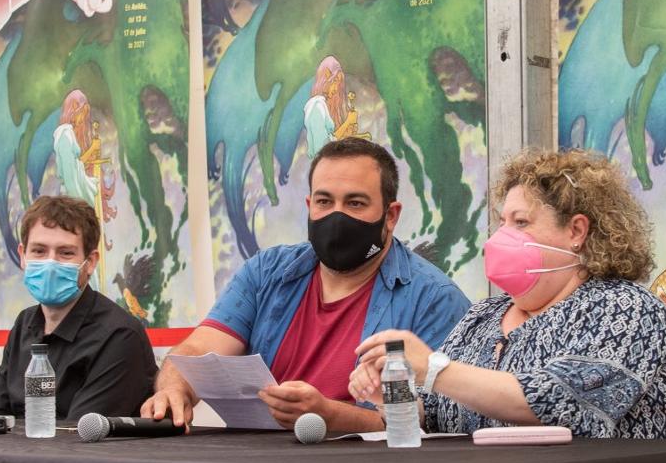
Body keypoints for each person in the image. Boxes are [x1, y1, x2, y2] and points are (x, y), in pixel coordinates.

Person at [349, 149, 666, 439]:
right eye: (502, 223)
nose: (500, 238)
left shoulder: (627, 310)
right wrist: (393, 392)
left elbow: (559, 402)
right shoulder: (483, 318)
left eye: (521, 223)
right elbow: (436, 416)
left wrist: (434, 368)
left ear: (576, 231)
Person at [142, 138, 471, 432]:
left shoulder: (435, 300)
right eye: (324, 202)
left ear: (391, 215)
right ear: (309, 206)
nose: (337, 217)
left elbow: (428, 421)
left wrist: (329, 416)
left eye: (355, 203)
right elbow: (197, 350)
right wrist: (174, 388)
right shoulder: (265, 272)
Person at [0, 195, 155, 421]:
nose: (50, 264)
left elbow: (76, 436)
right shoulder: (24, 324)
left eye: (65, 253)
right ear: (23, 256)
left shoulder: (119, 337)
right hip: (13, 455)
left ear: (91, 262)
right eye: (39, 251)